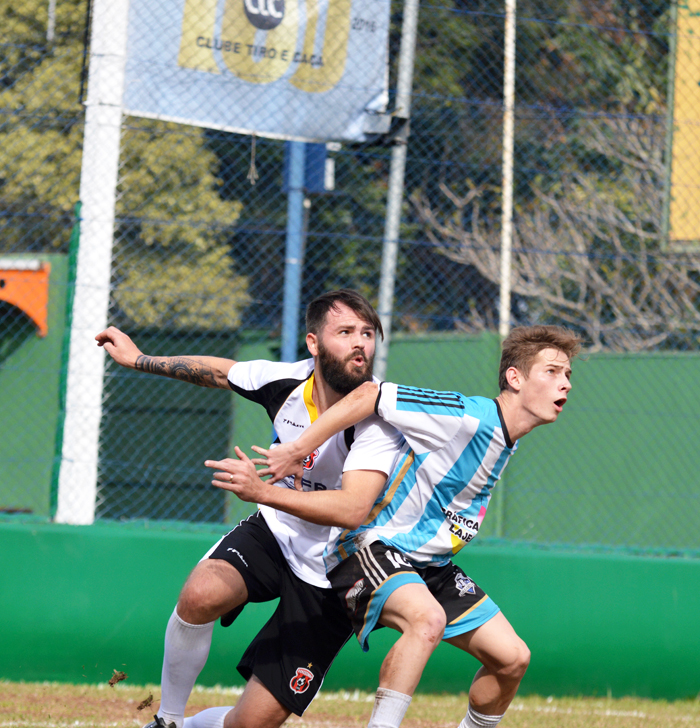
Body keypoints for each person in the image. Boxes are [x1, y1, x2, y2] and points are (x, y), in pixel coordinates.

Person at [204, 325, 582, 728]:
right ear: (515, 378)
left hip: (428, 565)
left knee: (512, 659)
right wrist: (298, 448)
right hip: (369, 546)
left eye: (568, 375)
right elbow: (370, 395)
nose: (565, 385)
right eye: (553, 372)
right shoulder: (466, 415)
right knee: (427, 621)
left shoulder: (506, 437)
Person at [95, 290, 403, 728]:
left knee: (248, 724)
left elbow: (352, 509)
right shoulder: (287, 382)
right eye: (346, 332)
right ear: (314, 343)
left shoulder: (380, 418)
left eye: (368, 333)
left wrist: (262, 492)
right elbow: (222, 373)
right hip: (278, 531)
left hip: (336, 565)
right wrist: (139, 359)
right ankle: (166, 721)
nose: (361, 344)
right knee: (200, 594)